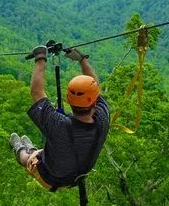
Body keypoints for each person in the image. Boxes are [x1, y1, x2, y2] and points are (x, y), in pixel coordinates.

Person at [10, 46, 110, 191]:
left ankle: (19, 149)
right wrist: (82, 60)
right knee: (42, 152)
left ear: (68, 100)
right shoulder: (102, 119)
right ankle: (32, 149)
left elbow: (37, 92)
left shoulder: (58, 125)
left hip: (50, 178)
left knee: (29, 159)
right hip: (75, 175)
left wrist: (40, 59)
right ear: (94, 102)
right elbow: (95, 86)